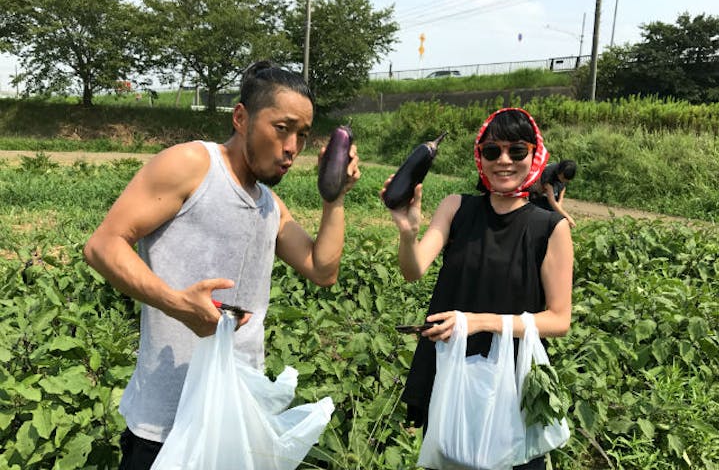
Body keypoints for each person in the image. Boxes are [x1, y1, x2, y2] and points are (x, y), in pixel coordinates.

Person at [83, 60, 361, 470]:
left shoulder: (270, 206)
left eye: (302, 135)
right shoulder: (192, 165)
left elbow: (323, 271)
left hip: (234, 421)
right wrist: (178, 304)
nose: (291, 148)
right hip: (167, 425)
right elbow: (103, 245)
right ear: (241, 117)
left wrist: (334, 197)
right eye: (281, 128)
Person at [381, 107, 573, 470]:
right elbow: (414, 269)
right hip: (451, 374)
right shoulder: (457, 207)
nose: (504, 160)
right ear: (479, 157)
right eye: (491, 151)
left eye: (517, 151)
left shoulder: (549, 228)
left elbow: (559, 320)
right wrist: (407, 232)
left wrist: (478, 322)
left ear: (534, 156)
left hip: (513, 380)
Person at [529, 159, 577, 228]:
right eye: (563, 178)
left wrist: (560, 202)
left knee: (554, 214)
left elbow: (563, 187)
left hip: (548, 194)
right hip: (537, 193)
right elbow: (552, 201)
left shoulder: (564, 174)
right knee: (540, 216)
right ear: (560, 172)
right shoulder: (549, 173)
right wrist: (567, 217)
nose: (564, 181)